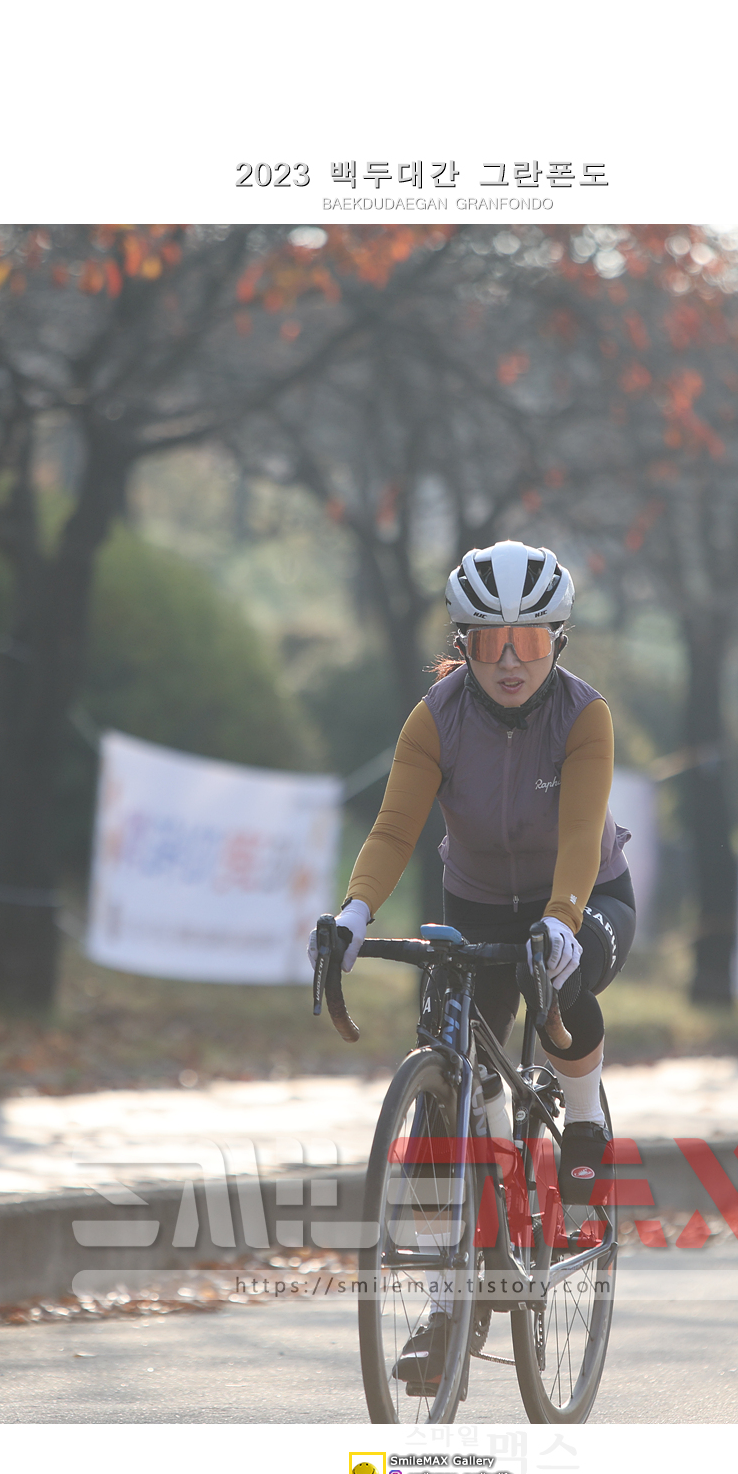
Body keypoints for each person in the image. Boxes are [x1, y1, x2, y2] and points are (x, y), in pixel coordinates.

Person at [313, 540, 634, 1393]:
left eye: (529, 642)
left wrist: (563, 920)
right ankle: (452, 1301)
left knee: (558, 979)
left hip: (588, 894)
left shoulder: (585, 716)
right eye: (489, 643)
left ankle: (585, 1118)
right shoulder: (436, 718)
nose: (509, 662)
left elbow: (580, 834)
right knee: (451, 1074)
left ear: (556, 642)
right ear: (463, 644)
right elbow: (394, 829)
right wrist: (353, 913)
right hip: (481, 901)